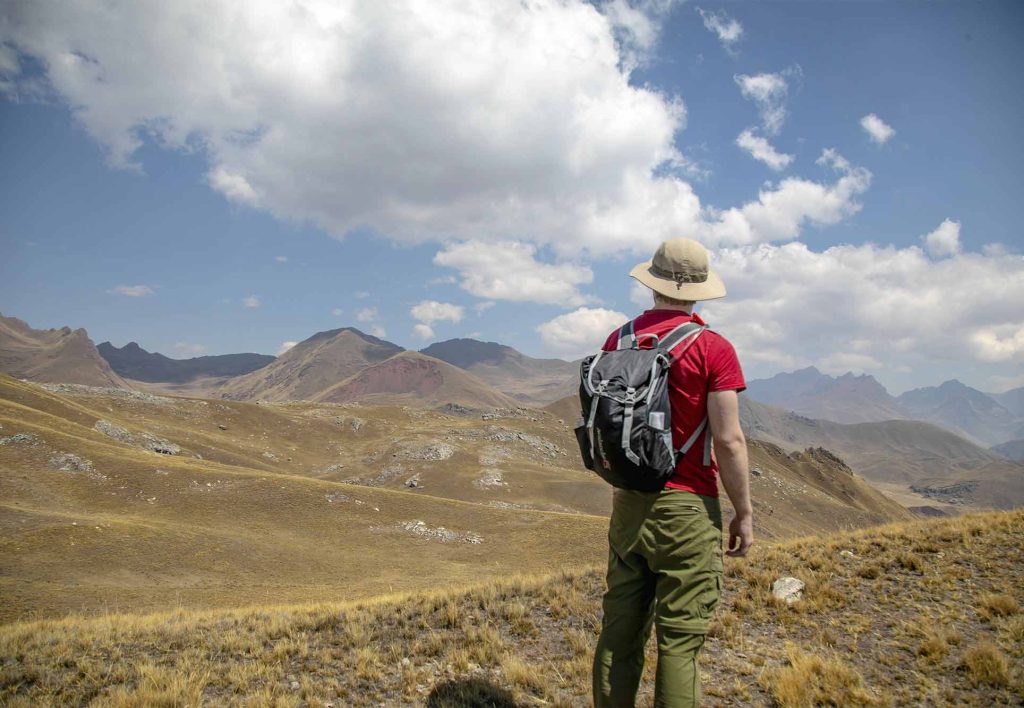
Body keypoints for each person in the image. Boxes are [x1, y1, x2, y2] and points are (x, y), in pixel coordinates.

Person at [591, 237, 753, 708]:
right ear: (699, 289)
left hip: (628, 504)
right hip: (688, 509)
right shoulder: (713, 349)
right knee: (679, 645)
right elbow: (728, 440)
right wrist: (743, 512)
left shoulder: (617, 341)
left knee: (619, 634)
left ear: (653, 283)